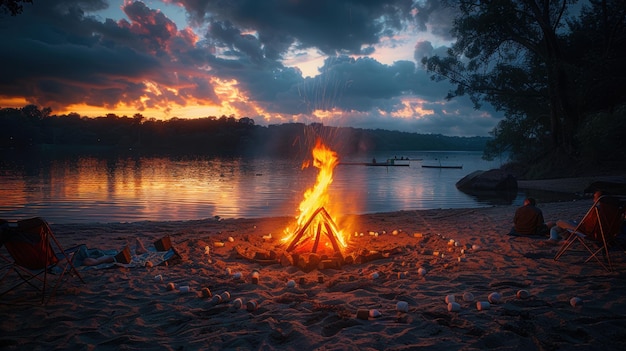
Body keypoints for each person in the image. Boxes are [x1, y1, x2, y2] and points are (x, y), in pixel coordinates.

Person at [545, 190, 620, 245]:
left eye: (595, 197)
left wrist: (578, 226)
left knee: (559, 222)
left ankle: (555, 239)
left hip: (590, 234)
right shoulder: (616, 211)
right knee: (562, 225)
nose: (593, 199)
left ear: (601, 199)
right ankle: (561, 239)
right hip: (609, 235)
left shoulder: (597, 209)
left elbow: (588, 226)